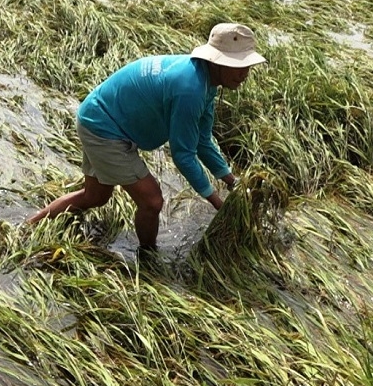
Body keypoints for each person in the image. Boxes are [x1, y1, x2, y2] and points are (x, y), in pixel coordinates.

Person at [26, 23, 267, 252]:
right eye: (238, 65)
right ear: (216, 61)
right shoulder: (190, 89)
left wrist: (231, 182)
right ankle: (148, 256)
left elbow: (202, 141)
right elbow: (183, 155)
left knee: (95, 197)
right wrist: (216, 202)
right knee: (152, 201)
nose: (244, 73)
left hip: (96, 115)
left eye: (246, 66)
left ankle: (28, 226)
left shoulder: (204, 81)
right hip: (104, 128)